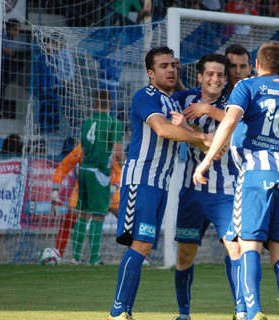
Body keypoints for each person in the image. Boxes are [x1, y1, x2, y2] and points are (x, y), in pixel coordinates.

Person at [193, 40, 279, 320]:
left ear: (256, 64)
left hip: (256, 175)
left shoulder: (247, 86)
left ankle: (253, 311)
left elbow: (229, 122)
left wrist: (206, 161)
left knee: (249, 244)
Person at [106, 47, 212, 320]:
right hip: (141, 180)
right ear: (150, 73)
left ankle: (124, 311)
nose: (171, 70)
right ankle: (118, 311)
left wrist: (198, 133)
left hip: (161, 185)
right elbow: (163, 129)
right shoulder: (145, 96)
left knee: (144, 246)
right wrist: (203, 140)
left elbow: (187, 116)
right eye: (164, 66)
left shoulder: (174, 101)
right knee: (140, 245)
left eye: (174, 65)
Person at [171, 54, 245, 320]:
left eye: (220, 75)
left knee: (236, 249)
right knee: (184, 256)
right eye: (210, 74)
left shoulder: (234, 104)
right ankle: (184, 314)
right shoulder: (185, 100)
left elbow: (221, 148)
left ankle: (242, 310)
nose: (215, 79)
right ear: (200, 77)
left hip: (226, 193)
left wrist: (190, 128)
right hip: (192, 194)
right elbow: (173, 129)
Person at [50, 89, 123, 265]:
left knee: (81, 214)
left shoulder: (86, 123)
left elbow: (72, 158)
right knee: (99, 216)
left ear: (94, 104)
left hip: (84, 173)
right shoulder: (114, 123)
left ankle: (74, 257)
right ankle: (94, 258)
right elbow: (118, 157)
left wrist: (55, 187)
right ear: (111, 105)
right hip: (101, 175)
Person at [33, 32, 75, 134]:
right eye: (49, 44)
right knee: (44, 107)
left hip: (54, 86)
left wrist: (61, 81)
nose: (51, 46)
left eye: (52, 44)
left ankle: (55, 127)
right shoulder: (41, 58)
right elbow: (40, 73)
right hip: (43, 87)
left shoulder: (57, 57)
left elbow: (58, 72)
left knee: (55, 106)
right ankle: (42, 127)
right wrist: (41, 85)